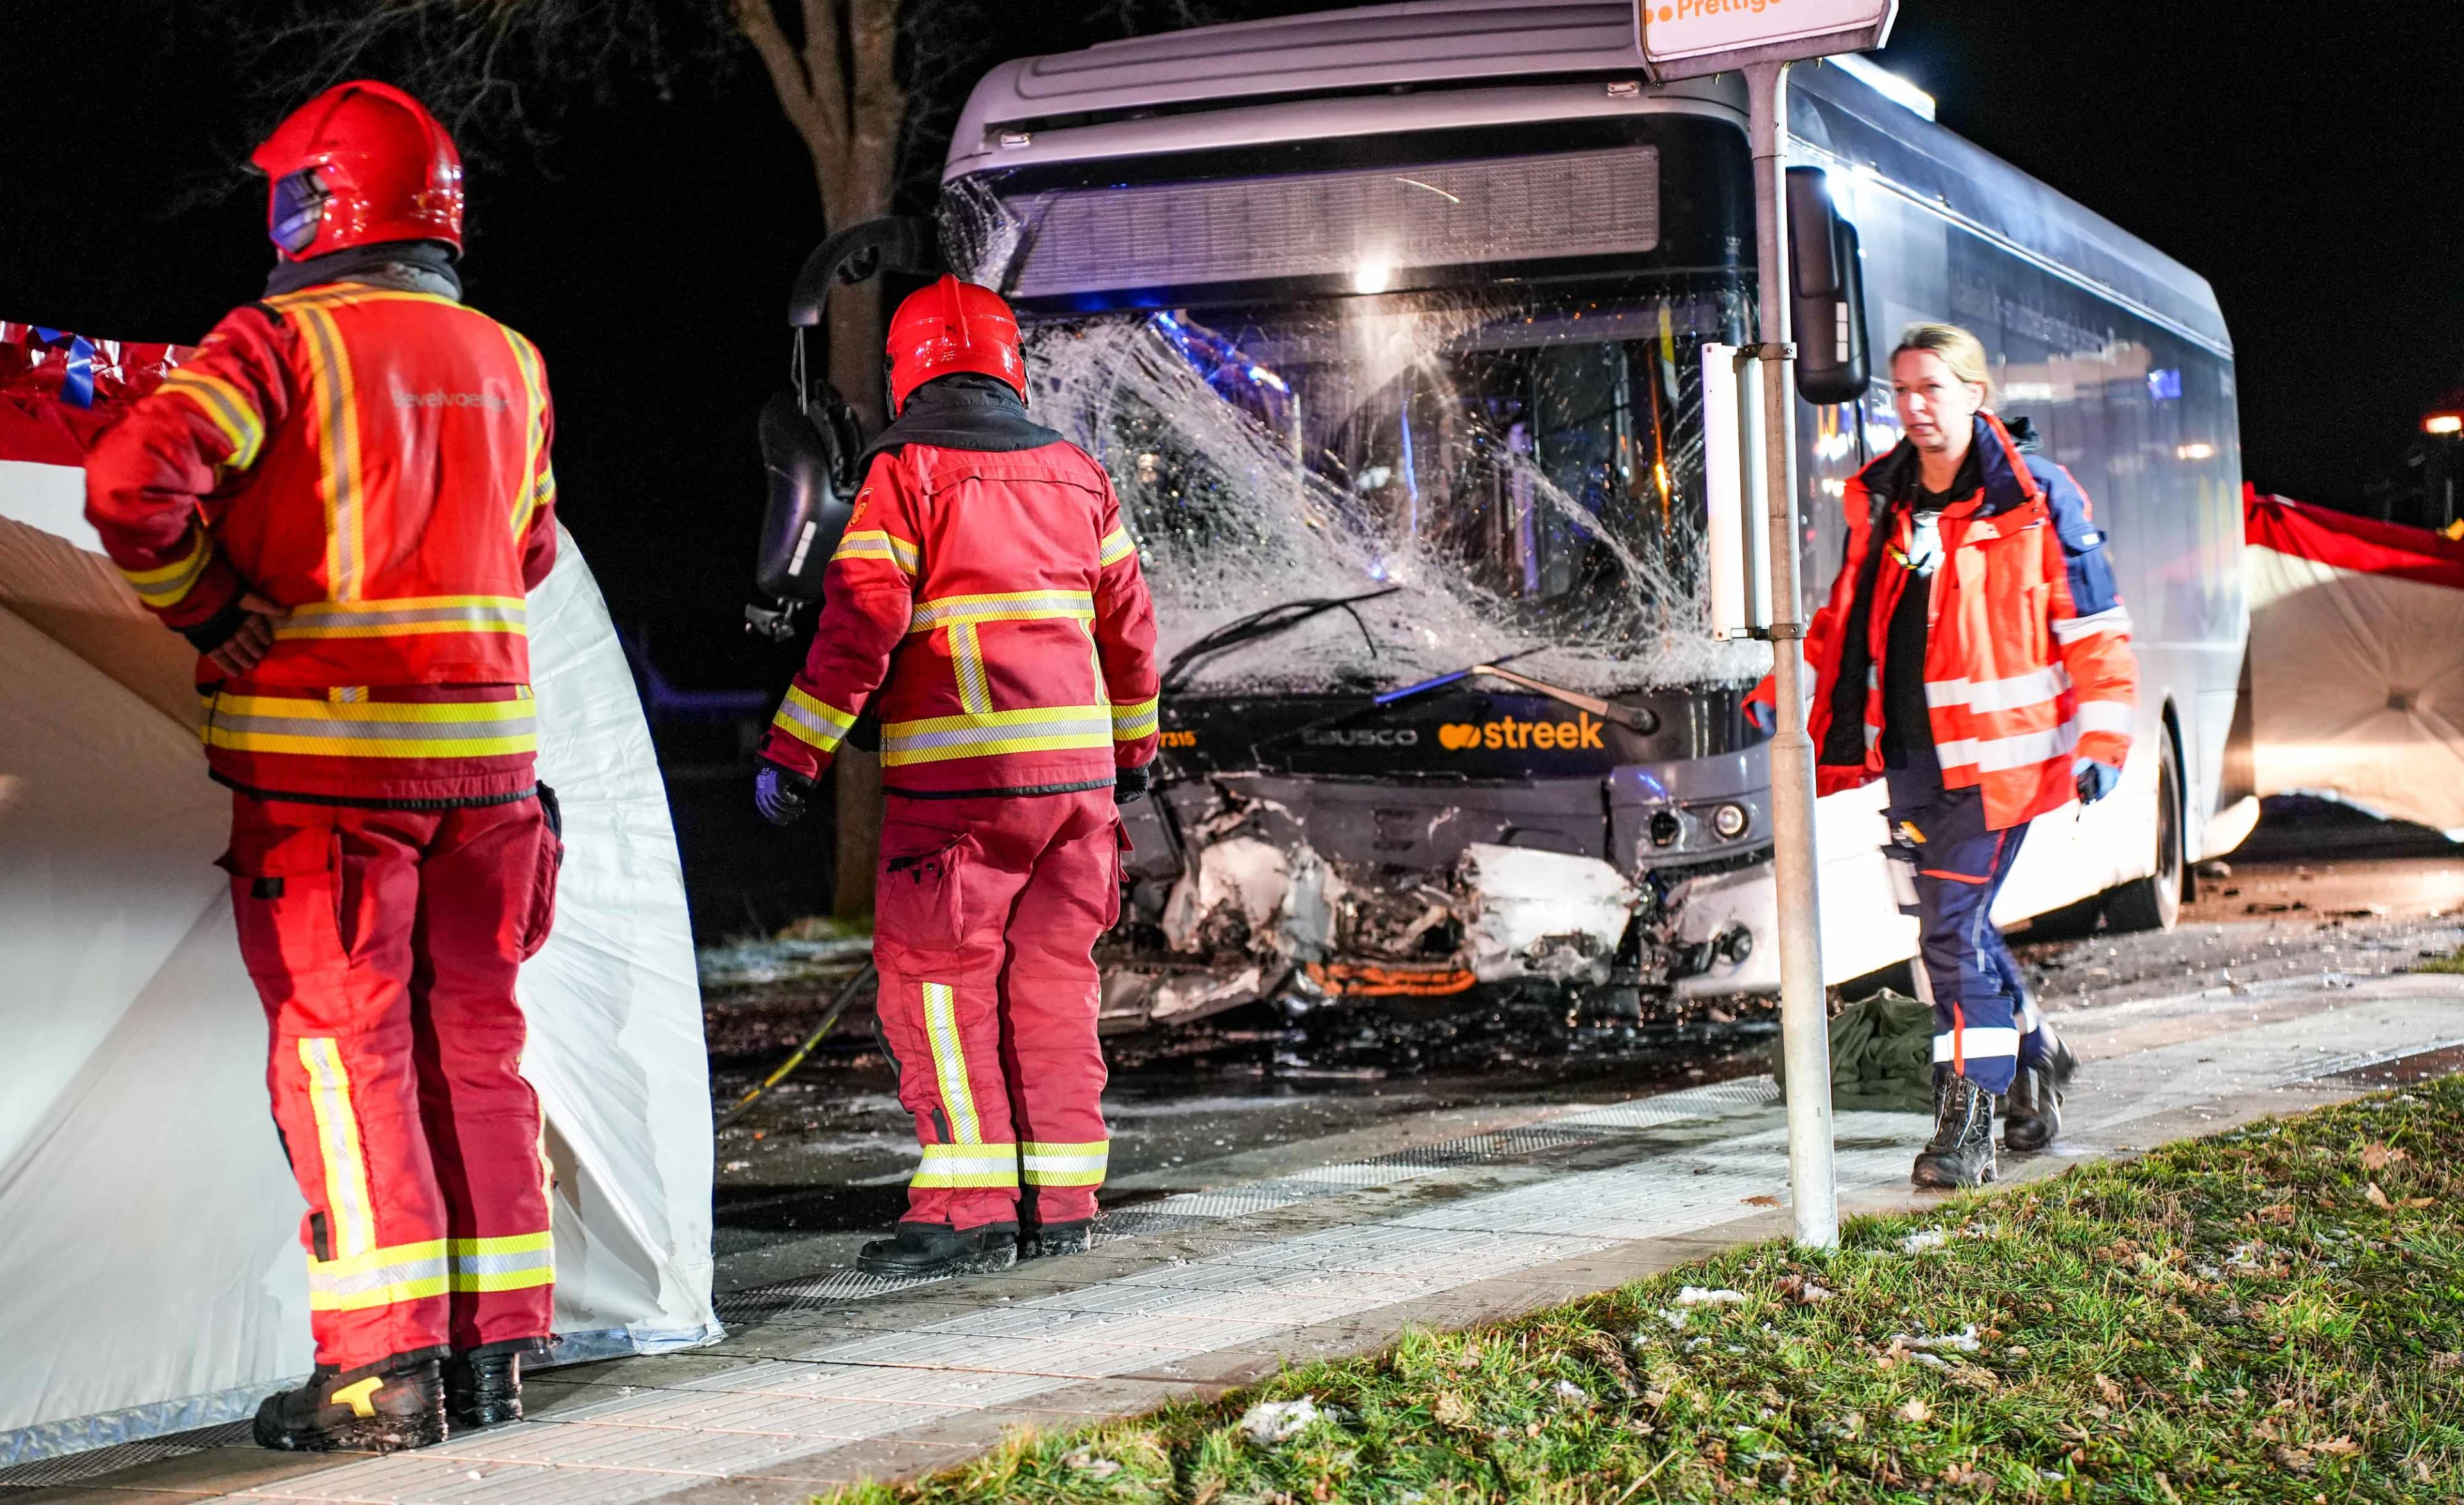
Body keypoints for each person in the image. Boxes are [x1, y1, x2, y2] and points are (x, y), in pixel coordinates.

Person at [84, 81, 563, 1452]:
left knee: (348, 1064)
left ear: (311, 205)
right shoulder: (511, 360)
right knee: (478, 1047)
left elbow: (130, 488)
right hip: (494, 781)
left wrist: (209, 603)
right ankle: (493, 1360)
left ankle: (378, 1376)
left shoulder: (273, 344)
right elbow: (526, 551)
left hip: (329, 778)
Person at [755, 275, 1161, 1279]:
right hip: (1080, 798)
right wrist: (1137, 757)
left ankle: (968, 1209)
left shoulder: (907, 474)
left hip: (960, 798)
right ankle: (1061, 1202)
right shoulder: (1079, 475)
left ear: (909, 372)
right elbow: (1132, 633)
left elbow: (860, 627)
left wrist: (795, 752)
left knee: (941, 990)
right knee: (1056, 989)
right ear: (1010, 365)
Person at [1754, 321, 2136, 1189]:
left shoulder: (2033, 497)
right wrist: (1784, 694)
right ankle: (2038, 1056)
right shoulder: (1888, 502)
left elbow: (2096, 632)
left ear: (1976, 395)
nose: (1916, 406)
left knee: (1947, 938)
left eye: (1934, 388)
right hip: (1916, 762)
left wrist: (2103, 737)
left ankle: (1969, 1126)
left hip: (2005, 768)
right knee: (1951, 928)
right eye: (1903, 390)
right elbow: (1847, 621)